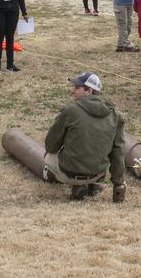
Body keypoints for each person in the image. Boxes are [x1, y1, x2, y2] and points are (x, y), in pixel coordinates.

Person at [44, 72, 126, 202]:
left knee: (48, 156)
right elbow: (118, 151)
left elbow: (51, 145)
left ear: (89, 90)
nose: (73, 91)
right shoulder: (115, 114)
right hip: (98, 172)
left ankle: (78, 185)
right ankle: (92, 184)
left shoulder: (71, 110)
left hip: (71, 172)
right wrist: (119, 183)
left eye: (77, 88)